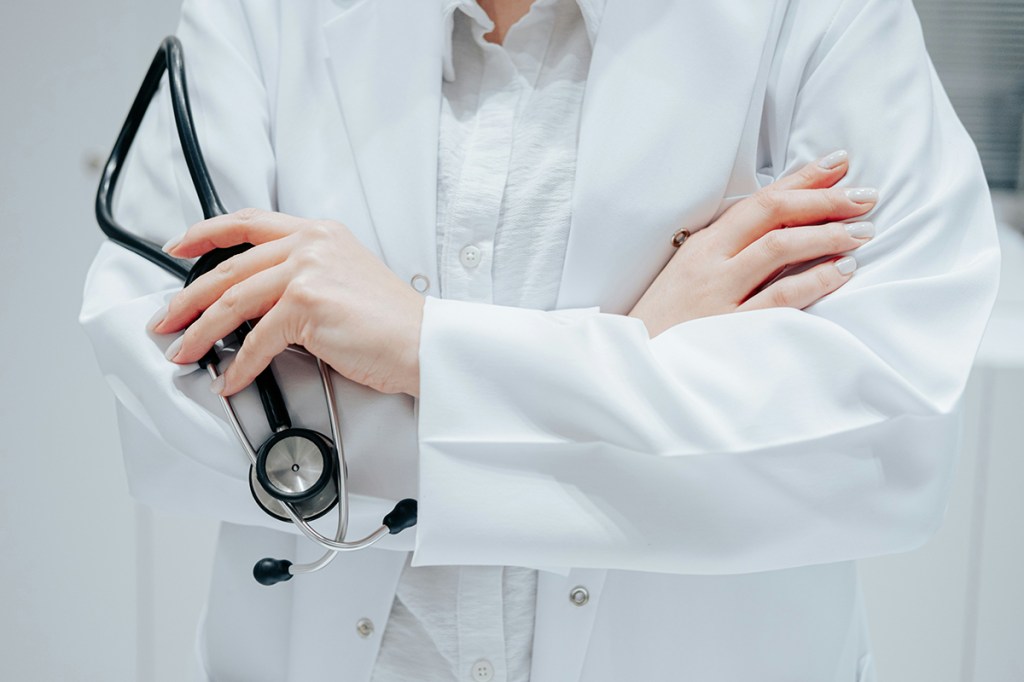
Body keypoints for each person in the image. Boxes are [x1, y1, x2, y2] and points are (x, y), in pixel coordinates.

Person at [79, 0, 999, 679]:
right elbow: (173, 408)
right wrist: (642, 351)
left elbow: (878, 442)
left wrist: (423, 347)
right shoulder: (256, 17)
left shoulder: (822, 19)